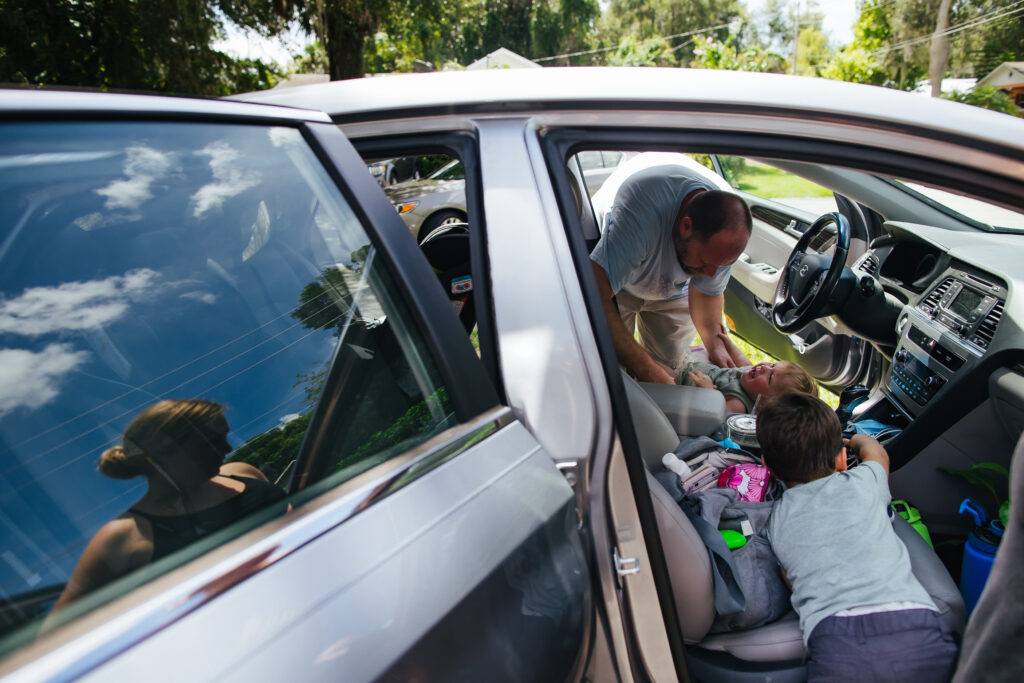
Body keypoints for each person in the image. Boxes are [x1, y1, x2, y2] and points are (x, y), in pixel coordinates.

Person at [756, 393, 957, 682]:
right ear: (841, 459)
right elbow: (877, 452)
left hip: (836, 642)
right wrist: (854, 441)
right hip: (915, 625)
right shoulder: (866, 481)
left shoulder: (776, 519)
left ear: (767, 465)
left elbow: (789, 576)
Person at [50, 399, 285, 613]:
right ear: (166, 451)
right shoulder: (124, 536)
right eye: (212, 440)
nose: (227, 448)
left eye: (224, 436)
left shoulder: (241, 471)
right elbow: (56, 636)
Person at [590, 163, 752, 384]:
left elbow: (707, 292)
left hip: (674, 289)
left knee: (672, 368)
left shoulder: (727, 233)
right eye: (705, 262)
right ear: (686, 226)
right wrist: (647, 369)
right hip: (616, 282)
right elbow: (595, 296)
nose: (711, 273)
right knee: (608, 369)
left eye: (720, 266)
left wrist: (714, 343)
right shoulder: (642, 209)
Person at [681, 356, 816, 413]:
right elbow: (742, 361)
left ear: (764, 404)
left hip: (679, 386)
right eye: (773, 365)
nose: (765, 368)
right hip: (687, 367)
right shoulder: (749, 379)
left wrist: (708, 391)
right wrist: (727, 342)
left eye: (770, 378)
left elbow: (714, 416)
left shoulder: (738, 404)